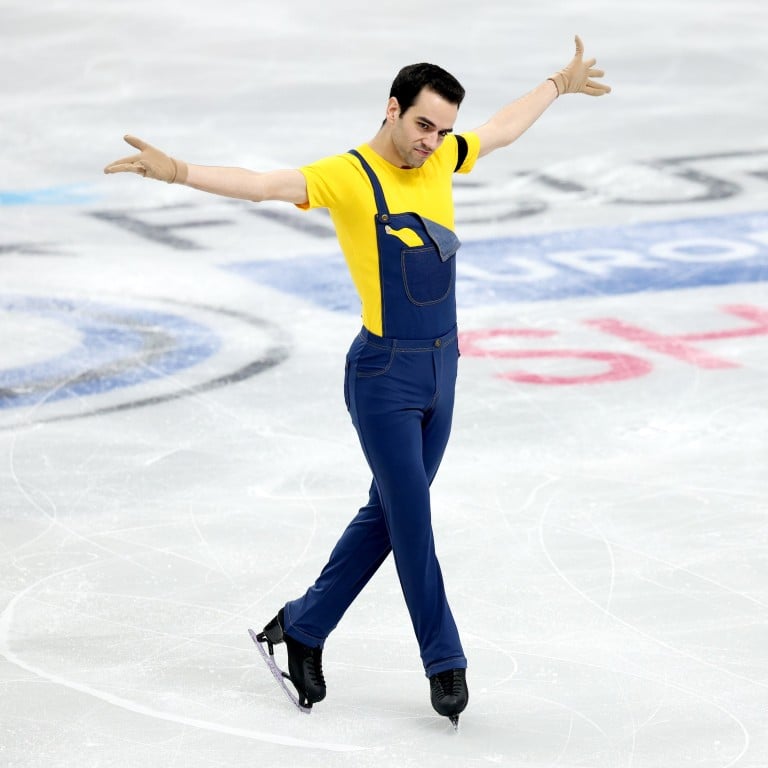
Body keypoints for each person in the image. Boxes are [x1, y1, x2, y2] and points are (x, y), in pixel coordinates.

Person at [105, 35, 610, 726]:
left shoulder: (444, 156)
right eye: (423, 125)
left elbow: (500, 130)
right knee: (413, 520)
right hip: (383, 378)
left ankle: (302, 626)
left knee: (389, 516)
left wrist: (558, 82)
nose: (432, 142)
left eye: (443, 131)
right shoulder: (348, 176)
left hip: (444, 368)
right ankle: (444, 659)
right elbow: (264, 185)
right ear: (393, 109)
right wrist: (178, 171)